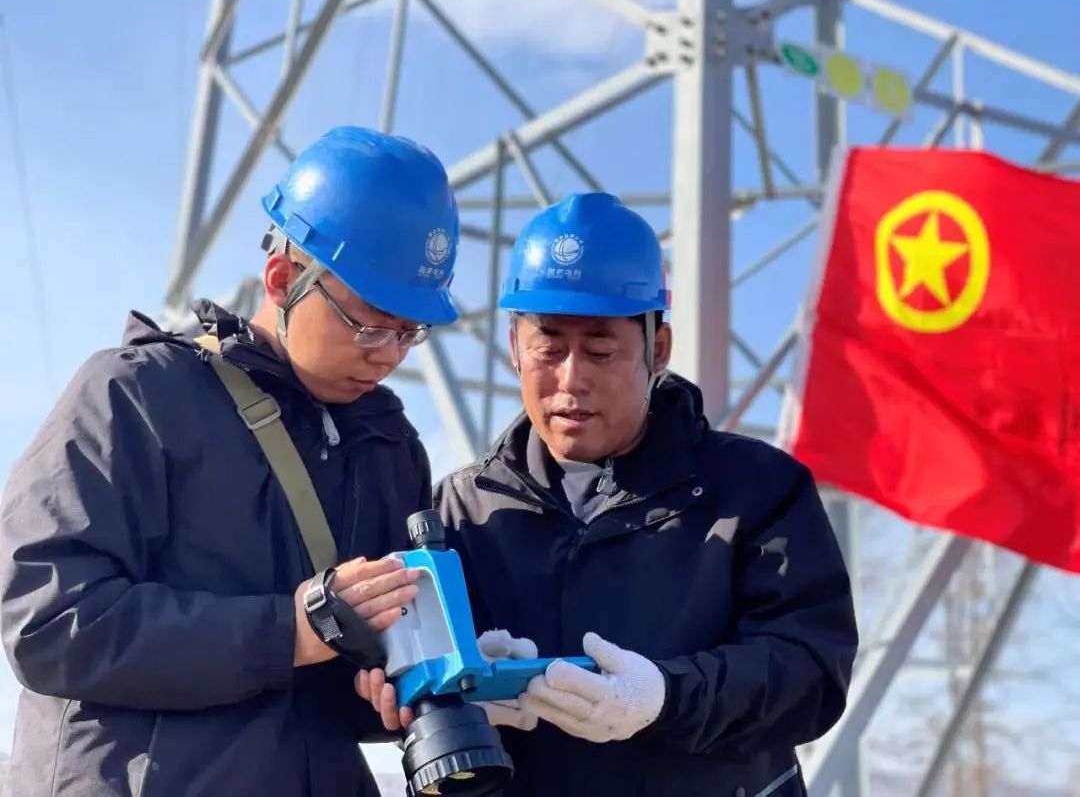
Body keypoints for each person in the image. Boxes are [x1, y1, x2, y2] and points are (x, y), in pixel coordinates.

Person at [0, 126, 460, 796]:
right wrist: (290, 630)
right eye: (368, 324)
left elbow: (347, 676)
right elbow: (47, 621)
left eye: (409, 332)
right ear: (283, 280)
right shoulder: (138, 395)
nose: (388, 355)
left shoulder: (388, 449)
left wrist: (406, 684)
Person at [358, 192, 859, 796]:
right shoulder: (459, 512)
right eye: (548, 349)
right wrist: (452, 689)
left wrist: (664, 698)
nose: (571, 379)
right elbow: (390, 689)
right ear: (514, 348)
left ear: (658, 349)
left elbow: (811, 673)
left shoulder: (757, 490)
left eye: (600, 350)